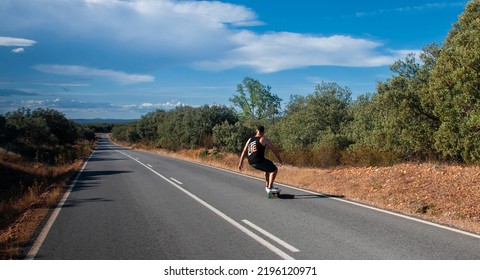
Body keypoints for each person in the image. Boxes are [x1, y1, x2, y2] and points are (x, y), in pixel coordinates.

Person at [238, 125, 283, 193]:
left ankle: (267, 185)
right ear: (263, 132)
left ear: (256, 131)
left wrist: (240, 163)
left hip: (251, 161)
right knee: (274, 170)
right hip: (258, 161)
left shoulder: (250, 139)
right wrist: (280, 160)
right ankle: (270, 188)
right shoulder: (264, 139)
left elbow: (244, 151)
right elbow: (275, 150)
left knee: (268, 167)